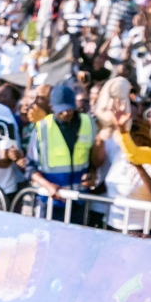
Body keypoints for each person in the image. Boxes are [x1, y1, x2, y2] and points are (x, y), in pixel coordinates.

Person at [26, 84, 103, 223]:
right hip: (50, 202)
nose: (66, 113)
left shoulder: (88, 123)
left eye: (69, 109)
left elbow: (93, 159)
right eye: (61, 110)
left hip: (78, 201)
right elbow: (30, 167)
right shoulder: (41, 128)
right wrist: (48, 186)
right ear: (52, 107)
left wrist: (92, 173)